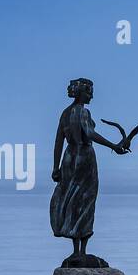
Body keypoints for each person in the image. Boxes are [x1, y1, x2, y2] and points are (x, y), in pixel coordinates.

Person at [50, 78, 129, 261]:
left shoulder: (65, 113)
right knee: (85, 201)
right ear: (80, 93)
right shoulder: (82, 112)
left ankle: (76, 250)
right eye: (89, 92)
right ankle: (82, 252)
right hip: (84, 158)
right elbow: (90, 133)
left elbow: (58, 142)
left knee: (72, 200)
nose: (92, 95)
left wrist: (56, 167)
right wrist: (113, 146)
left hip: (69, 159)